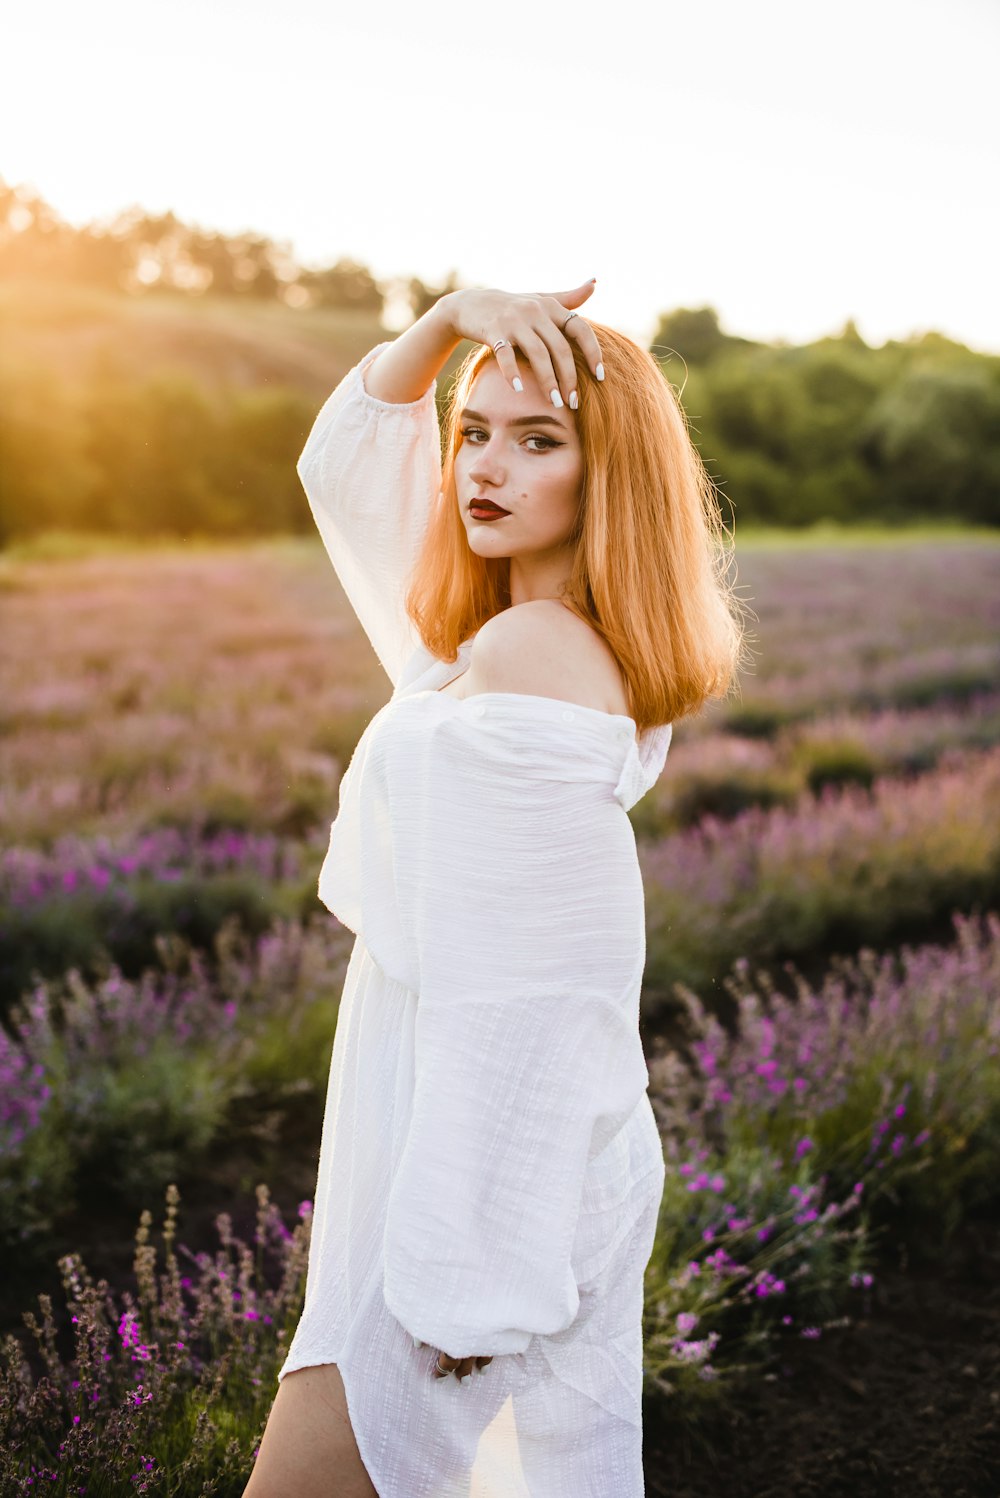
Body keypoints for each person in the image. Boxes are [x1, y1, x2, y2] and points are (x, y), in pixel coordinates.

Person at [242, 280, 744, 1498]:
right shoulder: (500, 640)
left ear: (605, 473)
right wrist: (450, 321)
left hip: (476, 1188)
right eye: (473, 431)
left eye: (538, 439)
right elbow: (355, 471)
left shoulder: (531, 657)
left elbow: (544, 996)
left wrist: (471, 1276)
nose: (484, 466)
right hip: (451, 1156)